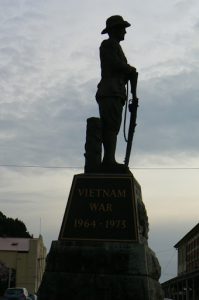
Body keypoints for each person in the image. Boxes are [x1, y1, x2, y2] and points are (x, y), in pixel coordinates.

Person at [96, 15, 137, 169]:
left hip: (116, 91)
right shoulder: (107, 44)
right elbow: (113, 63)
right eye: (122, 28)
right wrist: (130, 69)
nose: (125, 32)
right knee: (110, 126)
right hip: (110, 90)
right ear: (115, 30)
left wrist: (129, 73)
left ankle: (109, 159)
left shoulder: (116, 46)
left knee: (114, 126)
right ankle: (108, 160)